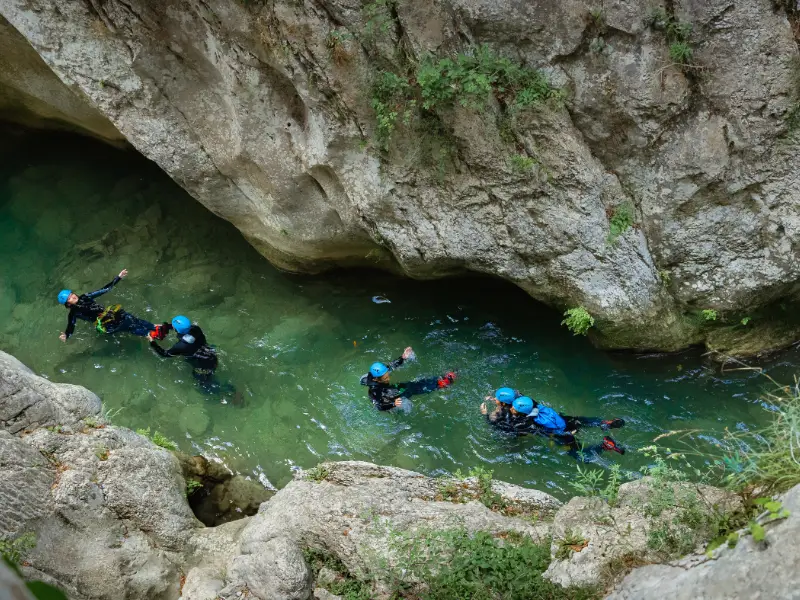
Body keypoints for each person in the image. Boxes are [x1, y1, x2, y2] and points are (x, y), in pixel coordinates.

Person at [148, 315, 238, 402]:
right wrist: (166, 326)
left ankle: (229, 396)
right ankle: (230, 390)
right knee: (210, 376)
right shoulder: (196, 329)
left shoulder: (180, 346)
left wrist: (152, 342)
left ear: (176, 329)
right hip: (212, 356)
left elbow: (164, 354)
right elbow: (181, 328)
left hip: (203, 366)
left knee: (206, 388)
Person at [510, 396, 626, 458]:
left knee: (578, 455)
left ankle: (604, 446)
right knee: (581, 420)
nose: (511, 409)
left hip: (564, 435)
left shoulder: (531, 422)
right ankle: (606, 423)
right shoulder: (536, 405)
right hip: (566, 421)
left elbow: (526, 430)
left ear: (524, 413)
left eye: (514, 409)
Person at [57, 269, 155, 341]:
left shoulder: (85, 297)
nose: (73, 297)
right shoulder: (74, 313)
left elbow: (104, 290)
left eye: (71, 294)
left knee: (130, 318)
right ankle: (148, 334)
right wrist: (66, 335)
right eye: (69, 298)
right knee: (128, 325)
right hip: (106, 324)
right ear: (68, 304)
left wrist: (118, 277)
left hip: (110, 314)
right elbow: (71, 325)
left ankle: (153, 326)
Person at [360, 346, 457, 410]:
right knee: (409, 387)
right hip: (387, 399)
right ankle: (441, 383)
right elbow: (379, 406)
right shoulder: (375, 391)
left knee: (405, 386)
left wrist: (403, 357)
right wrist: (393, 404)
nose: (388, 377)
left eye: (387, 374)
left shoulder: (376, 374)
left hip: (387, 392)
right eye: (385, 377)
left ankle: (436, 382)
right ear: (376, 379)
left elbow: (392, 366)